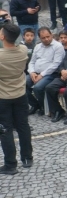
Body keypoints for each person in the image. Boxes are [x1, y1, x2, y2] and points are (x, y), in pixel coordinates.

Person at [0, 24, 33, 175]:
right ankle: (27, 157)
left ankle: (10, 164)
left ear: (2, 37)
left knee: (5, 130)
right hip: (20, 94)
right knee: (23, 126)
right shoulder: (23, 50)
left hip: (3, 97)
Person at [25, 27, 65, 115]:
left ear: (51, 35)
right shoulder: (38, 46)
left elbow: (56, 64)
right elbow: (32, 62)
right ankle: (35, 105)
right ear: (40, 38)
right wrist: (32, 72)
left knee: (38, 88)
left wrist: (41, 75)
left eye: (48, 36)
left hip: (51, 74)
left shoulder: (58, 46)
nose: (46, 39)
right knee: (21, 84)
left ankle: (45, 107)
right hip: (36, 73)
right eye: (43, 38)